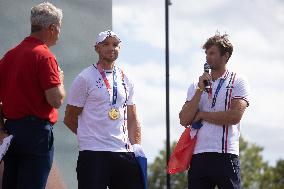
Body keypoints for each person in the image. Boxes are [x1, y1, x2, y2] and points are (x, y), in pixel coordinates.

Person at [64, 30, 144, 189]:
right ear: (97, 48)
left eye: (115, 45)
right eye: (106, 44)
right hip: (93, 154)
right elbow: (69, 118)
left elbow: (132, 118)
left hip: (123, 152)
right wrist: (90, 137)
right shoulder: (84, 78)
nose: (111, 48)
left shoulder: (126, 78)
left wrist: (136, 147)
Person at [0, 2, 65, 189]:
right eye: (59, 28)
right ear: (52, 28)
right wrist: (59, 80)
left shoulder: (9, 56)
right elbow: (56, 99)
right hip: (36, 134)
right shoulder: (45, 56)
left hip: (10, 131)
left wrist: (1, 130)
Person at [179, 33, 250, 189]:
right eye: (206, 53)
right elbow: (184, 119)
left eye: (212, 53)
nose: (207, 57)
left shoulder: (238, 81)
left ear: (226, 55)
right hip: (198, 156)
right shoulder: (196, 84)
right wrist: (199, 89)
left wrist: (203, 115)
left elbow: (234, 116)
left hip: (226, 154)